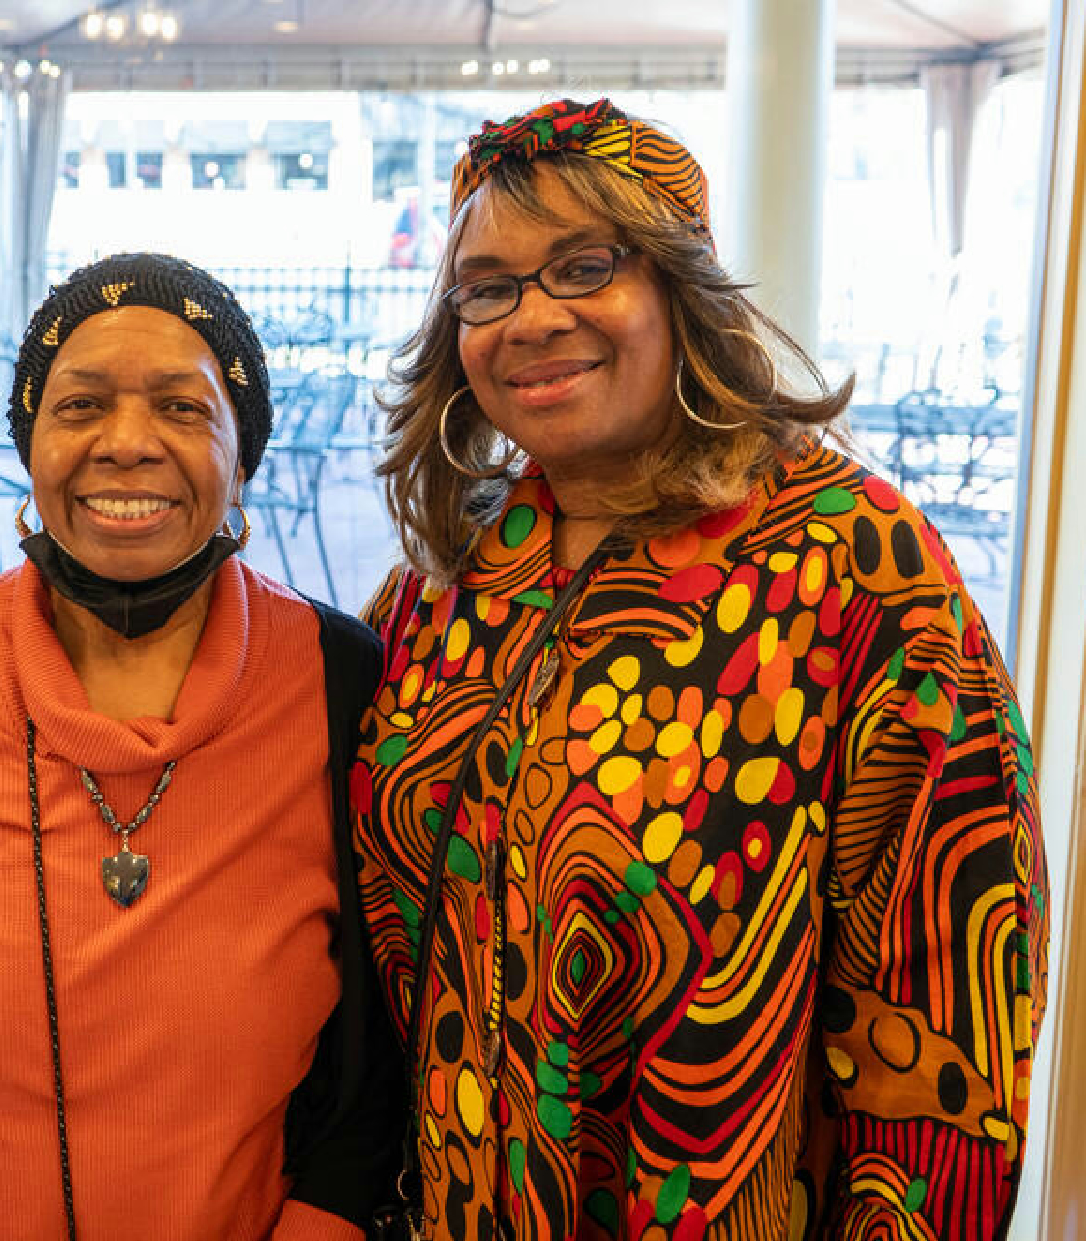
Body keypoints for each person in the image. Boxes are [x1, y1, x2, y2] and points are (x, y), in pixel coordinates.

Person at [351, 98, 1048, 1240]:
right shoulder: (449, 575)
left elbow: (946, 1002)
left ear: (683, 288)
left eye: (584, 266)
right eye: (487, 286)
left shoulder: (852, 566)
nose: (532, 317)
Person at [0, 253, 399, 1241]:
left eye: (182, 407)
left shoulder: (344, 679)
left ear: (242, 455)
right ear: (31, 445)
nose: (127, 443)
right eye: (81, 405)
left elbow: (389, 1018)